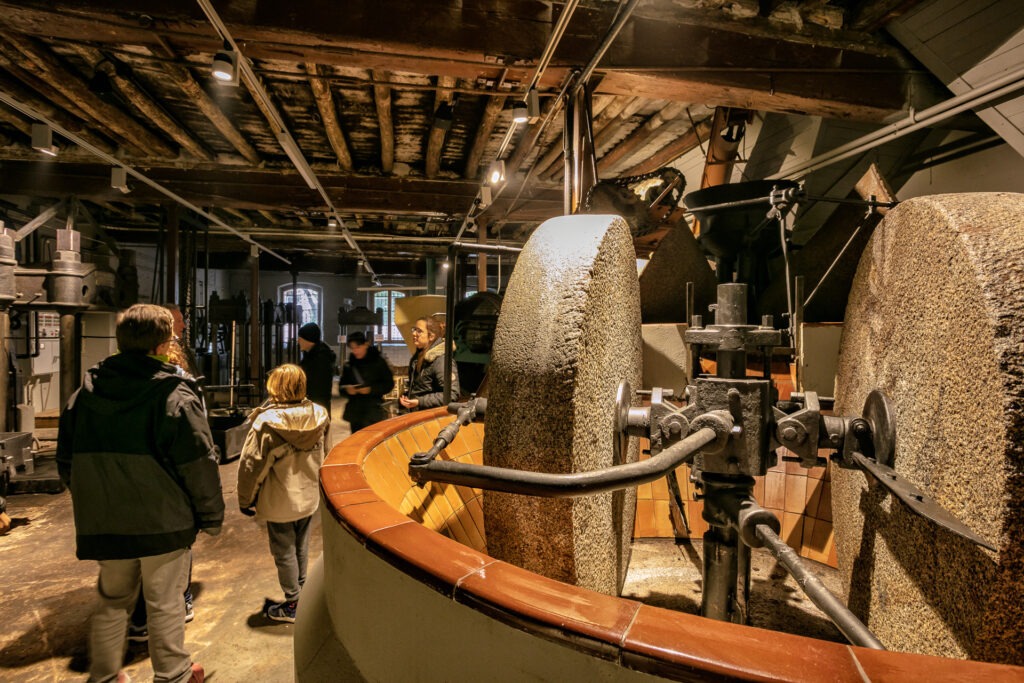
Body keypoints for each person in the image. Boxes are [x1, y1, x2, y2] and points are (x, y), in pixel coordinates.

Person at [57, 303, 223, 683]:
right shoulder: (175, 394)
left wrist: (93, 498)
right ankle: (174, 674)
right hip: (163, 523)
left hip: (106, 521)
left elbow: (66, 459)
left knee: (112, 601)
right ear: (162, 345)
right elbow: (199, 463)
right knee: (164, 602)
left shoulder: (85, 392)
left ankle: (105, 675)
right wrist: (211, 515)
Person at [127, 303, 203, 643]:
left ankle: (141, 617)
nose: (183, 328)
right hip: (167, 484)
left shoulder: (106, 381)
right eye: (178, 324)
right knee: (172, 550)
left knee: (138, 553)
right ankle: (170, 610)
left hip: (131, 485)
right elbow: (196, 446)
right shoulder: (176, 384)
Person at [237, 364, 328, 623]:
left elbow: (252, 467)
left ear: (275, 388)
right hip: (308, 497)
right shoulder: (319, 415)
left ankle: (293, 604)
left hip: (280, 501)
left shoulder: (267, 423)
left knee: (284, 551)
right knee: (301, 545)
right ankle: (302, 593)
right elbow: (325, 456)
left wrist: (245, 499)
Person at [398, 316, 459, 412]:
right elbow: (421, 388)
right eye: (414, 329)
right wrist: (407, 397)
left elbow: (452, 394)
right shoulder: (417, 358)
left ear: (431, 336)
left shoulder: (441, 360)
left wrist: (419, 401)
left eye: (419, 331)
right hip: (418, 413)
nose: (414, 333)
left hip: (432, 416)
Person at [339, 331, 394, 433]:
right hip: (355, 413)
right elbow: (341, 387)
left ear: (366, 344)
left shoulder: (378, 362)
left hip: (373, 412)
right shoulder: (349, 365)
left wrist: (371, 389)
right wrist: (347, 389)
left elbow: (389, 384)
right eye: (352, 348)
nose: (355, 351)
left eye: (358, 347)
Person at [296, 322, 336, 415]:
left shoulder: (320, 359)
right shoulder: (310, 354)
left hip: (316, 409)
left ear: (308, 340)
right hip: (312, 407)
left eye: (300, 338)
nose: (298, 341)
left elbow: (316, 389)